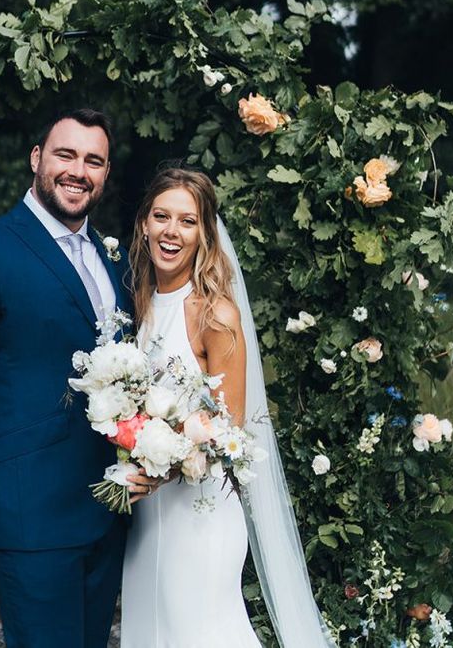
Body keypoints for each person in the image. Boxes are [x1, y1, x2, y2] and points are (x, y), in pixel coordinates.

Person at [0, 108, 157, 648]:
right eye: (65, 155)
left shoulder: (112, 258)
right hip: (31, 516)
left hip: (106, 511)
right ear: (37, 159)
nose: (78, 170)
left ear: (106, 174)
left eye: (93, 161)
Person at [120, 167, 334, 647]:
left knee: (203, 631)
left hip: (199, 511)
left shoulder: (215, 312)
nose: (171, 232)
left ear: (205, 234)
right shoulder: (140, 302)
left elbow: (229, 426)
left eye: (187, 221)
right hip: (147, 514)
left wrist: (166, 466)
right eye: (161, 217)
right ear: (144, 225)